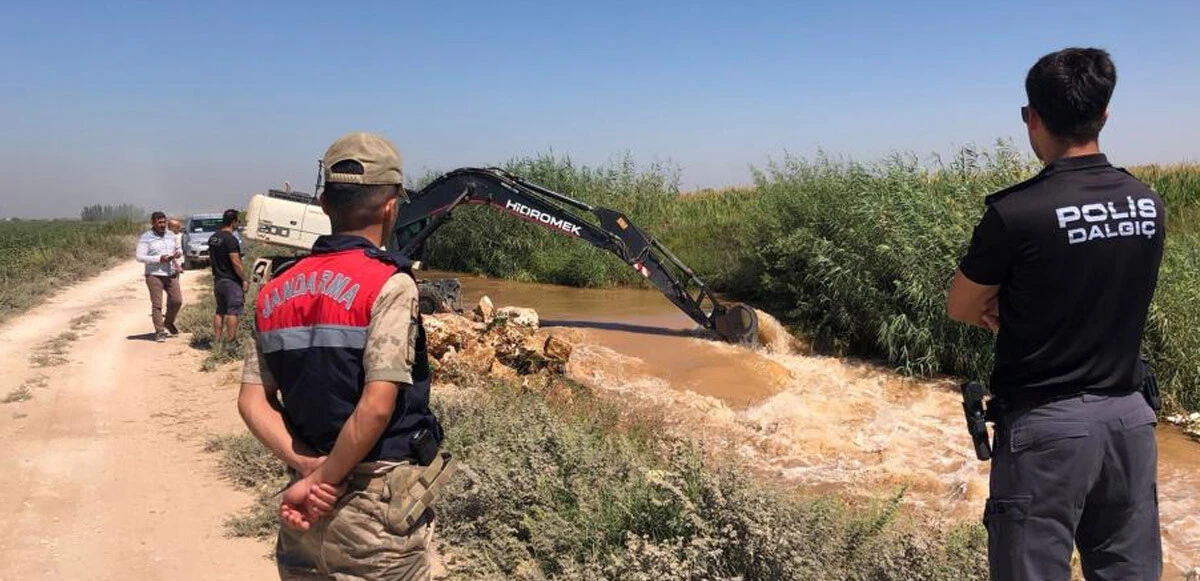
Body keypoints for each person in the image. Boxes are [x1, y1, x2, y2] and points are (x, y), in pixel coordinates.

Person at [947, 48, 1164, 580]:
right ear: (1104, 115)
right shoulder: (1146, 201)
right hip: (1131, 422)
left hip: (1047, 432)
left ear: (1033, 118)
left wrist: (1013, 305)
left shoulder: (1014, 213)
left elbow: (962, 305)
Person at [238, 132, 454, 580]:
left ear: (323, 203)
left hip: (304, 509)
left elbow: (252, 401)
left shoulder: (274, 290)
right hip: (374, 512)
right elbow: (376, 405)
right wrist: (327, 478)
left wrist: (305, 468)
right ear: (391, 206)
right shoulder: (390, 285)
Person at [135, 211, 184, 342]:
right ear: (153, 223)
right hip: (154, 274)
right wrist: (158, 258)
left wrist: (178, 253)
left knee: (177, 301)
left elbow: (178, 248)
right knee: (157, 305)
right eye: (159, 222)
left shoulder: (171, 235)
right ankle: (160, 331)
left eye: (164, 222)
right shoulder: (146, 237)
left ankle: (168, 322)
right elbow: (139, 257)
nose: (162, 225)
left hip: (170, 273)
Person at [208, 209, 247, 350]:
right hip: (231, 281)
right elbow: (236, 262)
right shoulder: (231, 239)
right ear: (233, 221)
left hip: (218, 280)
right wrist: (244, 279)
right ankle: (231, 342)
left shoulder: (213, 237)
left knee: (220, 310)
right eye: (238, 221)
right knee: (233, 311)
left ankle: (216, 341)